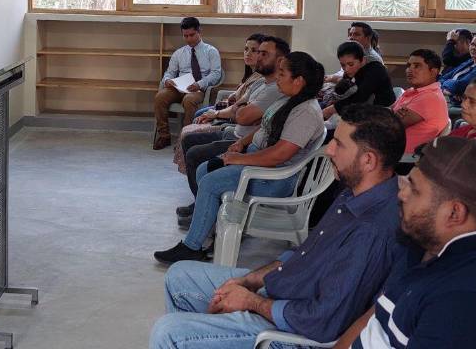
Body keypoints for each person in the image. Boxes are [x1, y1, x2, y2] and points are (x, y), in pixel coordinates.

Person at [149, 104, 407, 349]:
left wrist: (251, 301)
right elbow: (302, 254)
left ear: (368, 160)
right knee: (179, 275)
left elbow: (321, 321)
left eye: (339, 144)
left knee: (168, 332)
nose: (329, 150)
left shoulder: (373, 231)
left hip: (293, 332)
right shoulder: (355, 193)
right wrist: (249, 280)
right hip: (286, 291)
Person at [154, 51, 324, 264]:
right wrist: (242, 143)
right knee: (203, 169)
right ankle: (206, 229)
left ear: (298, 80)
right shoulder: (289, 100)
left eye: (282, 74)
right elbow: (266, 128)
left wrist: (238, 159)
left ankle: (192, 246)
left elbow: (280, 154)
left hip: (272, 177)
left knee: (209, 181)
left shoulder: (305, 112)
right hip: (259, 160)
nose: (277, 78)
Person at [333, 136, 476, 349]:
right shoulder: (428, 244)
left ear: (454, 212)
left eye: (414, 188)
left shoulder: (465, 301)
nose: (402, 193)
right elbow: (377, 317)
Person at [175, 37, 289, 222]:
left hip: (245, 140)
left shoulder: (277, 88)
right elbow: (238, 105)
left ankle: (206, 211)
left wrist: (235, 113)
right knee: (190, 139)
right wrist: (236, 111)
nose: (256, 57)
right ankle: (201, 203)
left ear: (280, 61)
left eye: (263, 53)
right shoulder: (261, 82)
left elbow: (243, 115)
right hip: (239, 134)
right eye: (254, 51)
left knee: (196, 154)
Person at [173, 33, 266, 176]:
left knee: (196, 120)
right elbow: (238, 100)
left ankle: (193, 164)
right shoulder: (252, 74)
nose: (248, 53)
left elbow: (239, 110)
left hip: (236, 126)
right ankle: (191, 167)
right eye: (246, 49)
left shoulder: (261, 79)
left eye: (254, 50)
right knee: (199, 114)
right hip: (232, 118)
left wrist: (216, 113)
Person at [153, 17, 222, 150]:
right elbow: (169, 73)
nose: (189, 39)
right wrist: (168, 81)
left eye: (192, 35)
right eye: (185, 36)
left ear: (199, 31)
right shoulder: (179, 53)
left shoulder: (211, 51)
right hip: (179, 87)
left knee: (189, 100)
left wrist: (199, 84)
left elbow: (216, 74)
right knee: (160, 97)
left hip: (197, 89)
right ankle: (164, 136)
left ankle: (185, 139)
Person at [392, 49, 449, 154]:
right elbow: (389, 112)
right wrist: (393, 114)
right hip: (390, 150)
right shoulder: (413, 91)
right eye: (409, 65)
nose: (410, 70)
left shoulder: (430, 97)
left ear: (434, 71)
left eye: (417, 66)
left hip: (405, 159)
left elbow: (392, 125)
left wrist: (391, 116)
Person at [322, 42, 395, 121]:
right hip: (362, 109)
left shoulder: (376, 69)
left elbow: (360, 97)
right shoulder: (351, 72)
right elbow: (346, 91)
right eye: (343, 65)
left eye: (351, 64)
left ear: (363, 60)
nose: (346, 69)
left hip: (382, 115)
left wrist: (332, 109)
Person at [440, 32, 476, 106]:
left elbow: (459, 86)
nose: (474, 48)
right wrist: (448, 89)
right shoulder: (471, 61)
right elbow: (443, 77)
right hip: (456, 102)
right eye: (472, 44)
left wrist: (450, 88)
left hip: (474, 108)